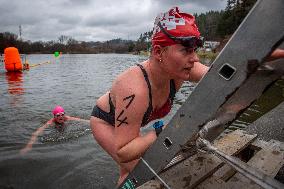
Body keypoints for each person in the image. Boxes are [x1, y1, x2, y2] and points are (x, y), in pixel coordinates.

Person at [90, 7, 284, 186]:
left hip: (133, 120)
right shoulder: (133, 89)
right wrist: (162, 132)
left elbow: (228, 74)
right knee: (136, 171)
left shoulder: (181, 69)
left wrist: (267, 52)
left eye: (194, 50)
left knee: (134, 170)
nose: (195, 58)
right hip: (105, 121)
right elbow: (123, 151)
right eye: (186, 50)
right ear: (159, 52)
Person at [20, 105, 89, 154]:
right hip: (55, 126)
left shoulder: (67, 118)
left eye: (62, 114)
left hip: (64, 125)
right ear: (54, 116)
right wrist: (29, 146)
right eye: (58, 115)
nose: (61, 117)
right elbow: (36, 133)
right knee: (58, 130)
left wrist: (94, 123)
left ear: (64, 114)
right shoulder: (50, 122)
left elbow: (81, 120)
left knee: (64, 127)